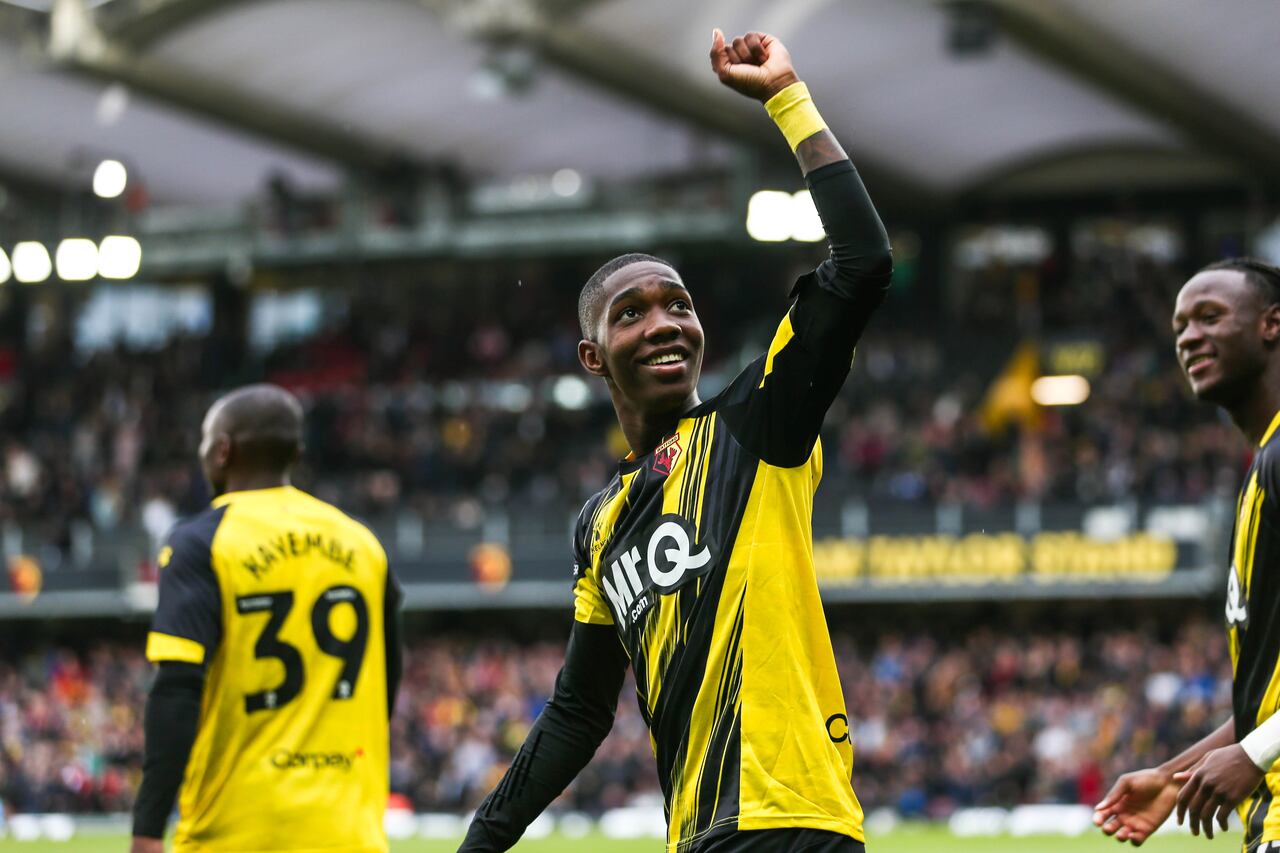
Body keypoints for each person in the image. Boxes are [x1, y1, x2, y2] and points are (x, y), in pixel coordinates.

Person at [459, 28, 892, 853]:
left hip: (789, 819)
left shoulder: (756, 422)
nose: (664, 323)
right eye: (633, 312)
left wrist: (787, 101)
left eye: (679, 305)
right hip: (697, 833)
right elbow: (580, 710)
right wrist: (483, 838)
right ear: (593, 357)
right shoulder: (601, 523)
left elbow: (863, 261)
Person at [130, 384, 403, 853]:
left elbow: (176, 687)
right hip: (349, 831)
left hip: (237, 830)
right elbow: (388, 675)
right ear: (295, 452)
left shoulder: (200, 542)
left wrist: (148, 826)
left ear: (222, 451)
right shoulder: (361, 543)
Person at [1094, 258, 1280, 850]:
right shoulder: (1263, 467)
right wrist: (1176, 779)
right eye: (1179, 327)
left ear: (1272, 325)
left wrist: (1253, 753)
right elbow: (1264, 700)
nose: (1188, 337)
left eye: (1209, 316)